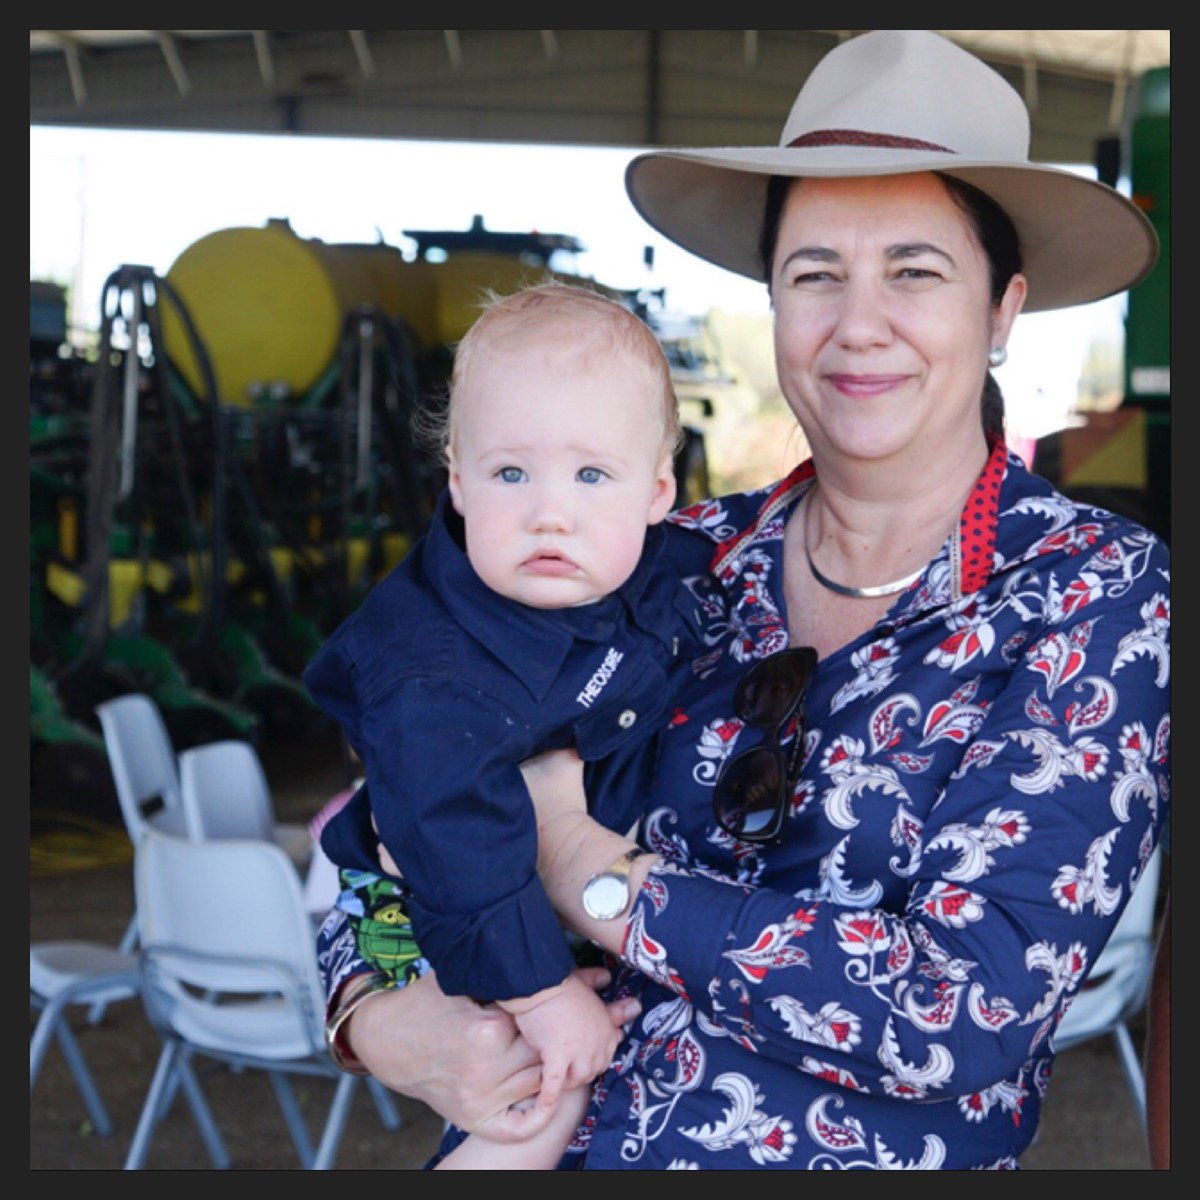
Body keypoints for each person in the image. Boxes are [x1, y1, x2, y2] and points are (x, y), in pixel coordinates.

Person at [320, 29, 1169, 1169]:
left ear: (1003, 309)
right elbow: (396, 814)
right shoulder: (661, 558)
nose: (857, 324)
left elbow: (961, 1009)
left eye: (914, 271)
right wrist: (387, 1022)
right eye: (815, 272)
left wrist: (587, 870)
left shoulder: (1092, 594)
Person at [306, 282, 702, 1168]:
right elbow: (450, 839)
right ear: (457, 479)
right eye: (509, 472)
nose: (548, 512)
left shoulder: (666, 568)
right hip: (422, 907)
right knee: (535, 1097)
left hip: (523, 900)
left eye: (592, 474)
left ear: (658, 492)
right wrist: (541, 989)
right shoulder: (431, 668)